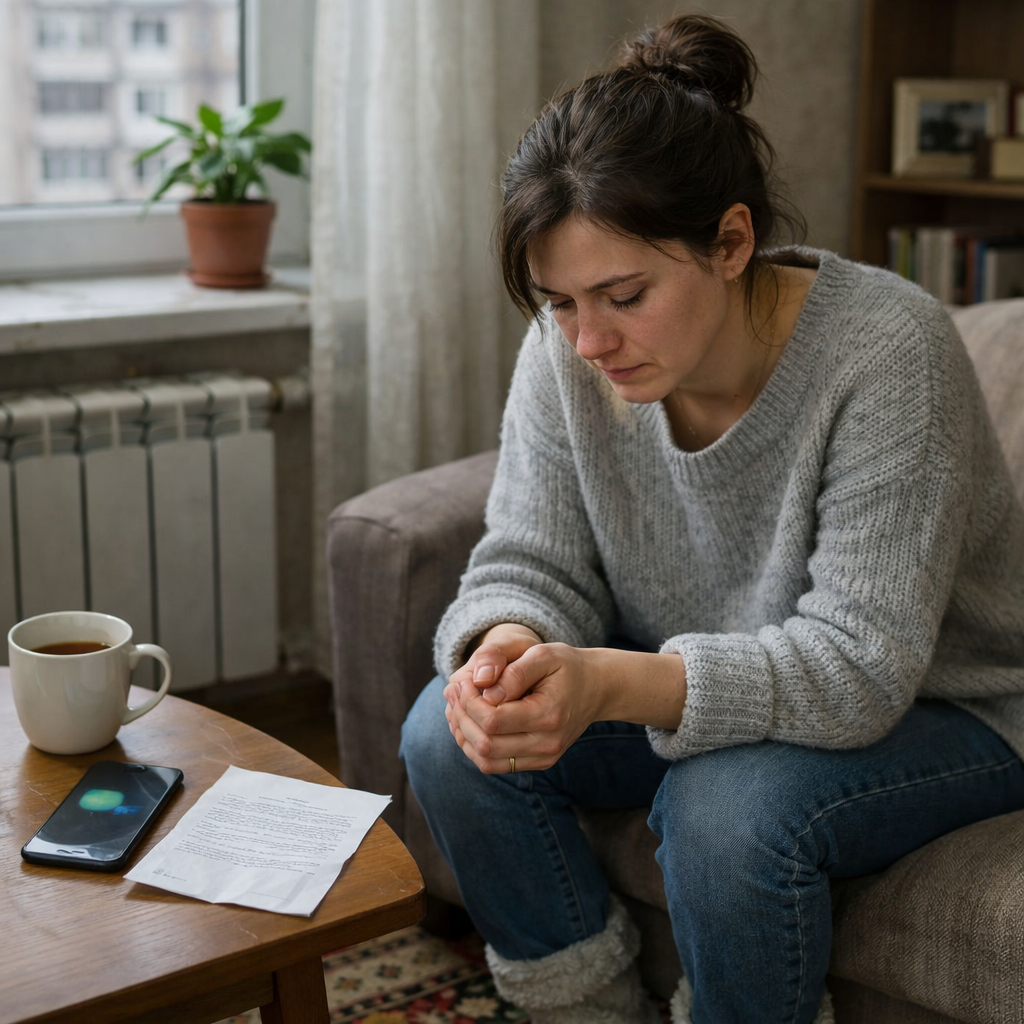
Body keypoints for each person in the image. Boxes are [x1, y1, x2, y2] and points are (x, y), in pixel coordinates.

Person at [400, 14, 1024, 1024]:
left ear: (731, 241)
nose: (588, 339)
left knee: (723, 808)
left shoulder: (888, 355)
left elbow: (860, 670)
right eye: (558, 302)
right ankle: (585, 1009)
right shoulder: (566, 348)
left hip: (946, 708)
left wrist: (603, 678)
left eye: (623, 294)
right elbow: (529, 555)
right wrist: (506, 648)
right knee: (447, 734)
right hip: (713, 686)